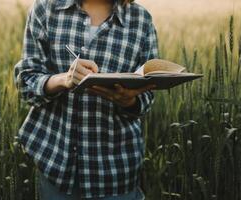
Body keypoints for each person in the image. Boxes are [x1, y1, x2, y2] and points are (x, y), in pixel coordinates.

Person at [13, 0, 159, 199]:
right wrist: (63, 80)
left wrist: (128, 101)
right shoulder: (46, 8)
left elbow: (147, 95)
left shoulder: (140, 20)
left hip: (115, 170)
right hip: (54, 163)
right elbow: (26, 81)